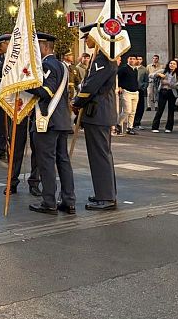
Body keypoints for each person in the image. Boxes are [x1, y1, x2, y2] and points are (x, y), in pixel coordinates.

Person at [27, 33, 75, 215]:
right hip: (61, 119)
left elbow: (47, 91)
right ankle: (68, 200)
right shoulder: (61, 65)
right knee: (63, 160)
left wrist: (24, 85)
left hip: (48, 120)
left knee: (46, 162)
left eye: (36, 46)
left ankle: (49, 201)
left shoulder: (47, 64)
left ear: (44, 46)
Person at [72, 25, 118, 211]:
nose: (85, 41)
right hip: (99, 112)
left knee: (100, 156)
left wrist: (77, 102)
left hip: (98, 112)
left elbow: (91, 86)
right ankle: (105, 193)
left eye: (87, 37)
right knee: (103, 155)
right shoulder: (101, 57)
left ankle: (105, 197)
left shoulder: (103, 58)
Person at [151, 60, 178, 133]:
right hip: (163, 91)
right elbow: (151, 75)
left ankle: (169, 128)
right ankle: (155, 127)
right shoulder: (163, 71)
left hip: (172, 92)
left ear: (176, 66)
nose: (172, 65)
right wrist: (158, 74)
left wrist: (169, 83)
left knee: (171, 110)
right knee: (160, 109)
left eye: (174, 64)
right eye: (171, 63)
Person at [117, 55, 140, 135]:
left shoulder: (135, 69)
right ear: (128, 59)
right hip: (126, 91)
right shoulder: (123, 68)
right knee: (127, 110)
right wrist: (119, 86)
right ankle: (118, 124)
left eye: (134, 59)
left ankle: (130, 127)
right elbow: (117, 77)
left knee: (133, 112)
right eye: (130, 59)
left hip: (135, 92)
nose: (132, 60)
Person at [134, 56, 149, 129]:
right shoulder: (131, 67)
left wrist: (143, 88)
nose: (138, 61)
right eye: (137, 59)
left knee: (140, 107)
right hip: (131, 89)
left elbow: (146, 80)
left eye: (140, 59)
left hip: (140, 90)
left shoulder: (144, 69)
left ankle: (137, 122)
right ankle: (131, 122)